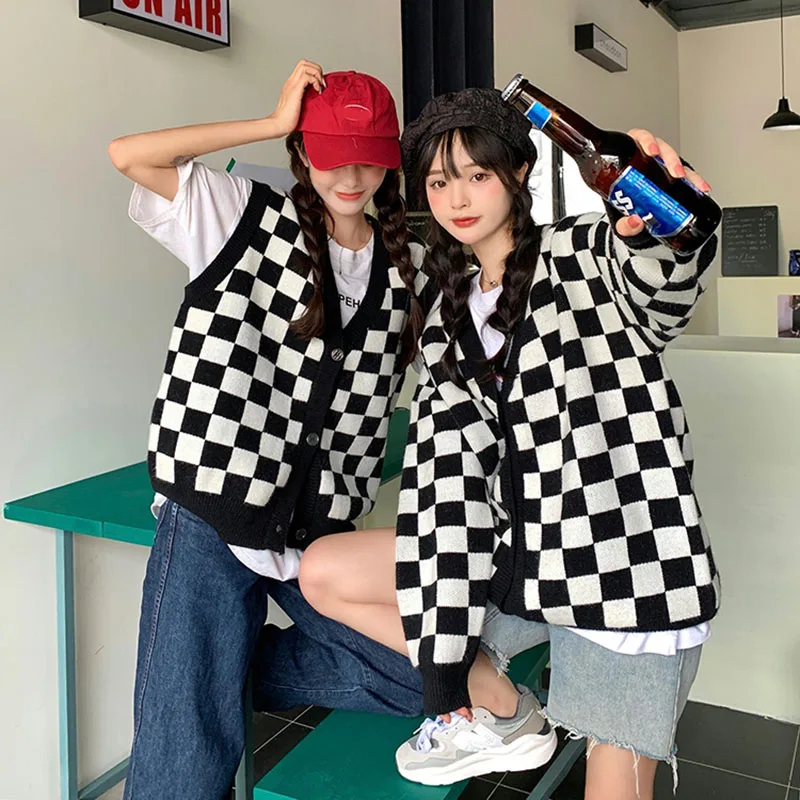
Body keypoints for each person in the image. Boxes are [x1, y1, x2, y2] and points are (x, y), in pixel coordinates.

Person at [297, 88, 720, 799]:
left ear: (519, 172)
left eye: (476, 174)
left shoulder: (586, 252)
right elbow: (446, 479)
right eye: (439, 182)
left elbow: (663, 285)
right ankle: (502, 709)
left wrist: (659, 226)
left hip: (622, 570)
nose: (457, 198)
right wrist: (444, 681)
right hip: (514, 561)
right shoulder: (444, 315)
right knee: (324, 571)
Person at [107, 59, 433, 800]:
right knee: (185, 774)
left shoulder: (406, 267)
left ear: (390, 161)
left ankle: (213, 672)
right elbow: (130, 154)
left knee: (426, 673)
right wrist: (269, 120)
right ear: (301, 150)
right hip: (213, 512)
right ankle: (196, 685)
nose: (350, 176)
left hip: (315, 541)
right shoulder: (239, 215)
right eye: (331, 154)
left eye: (368, 158)